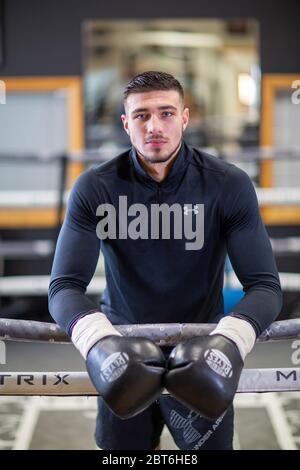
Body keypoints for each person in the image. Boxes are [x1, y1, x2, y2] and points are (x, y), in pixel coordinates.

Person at [48, 71, 282, 450]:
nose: (154, 126)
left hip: (202, 350)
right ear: (126, 124)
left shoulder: (226, 185)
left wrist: (229, 341)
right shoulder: (96, 187)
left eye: (166, 113)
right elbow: (63, 287)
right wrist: (100, 342)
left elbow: (266, 286)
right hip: (122, 347)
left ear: (185, 118)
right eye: (141, 116)